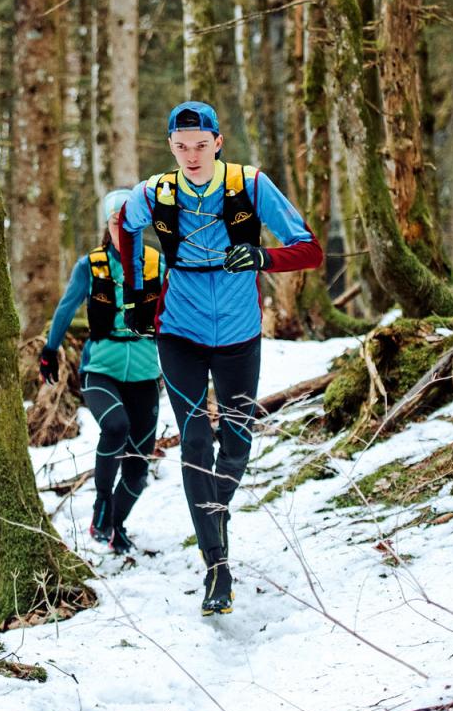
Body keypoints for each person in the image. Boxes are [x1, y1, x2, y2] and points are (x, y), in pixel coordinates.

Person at [117, 103, 323, 615]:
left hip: (238, 332)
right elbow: (125, 224)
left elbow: (310, 249)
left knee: (235, 440)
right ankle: (217, 567)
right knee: (194, 437)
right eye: (181, 145)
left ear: (218, 141)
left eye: (200, 144)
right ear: (170, 146)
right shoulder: (155, 193)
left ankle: (213, 513)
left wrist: (263, 257)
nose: (191, 154)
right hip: (178, 330)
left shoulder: (250, 185)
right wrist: (136, 293)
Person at [40, 190, 167, 555]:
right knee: (115, 427)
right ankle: (101, 507)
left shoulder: (158, 263)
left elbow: (176, 311)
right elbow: (66, 308)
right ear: (108, 225)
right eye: (117, 222)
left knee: (138, 469)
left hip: (145, 372)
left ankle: (116, 526)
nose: (124, 229)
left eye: (132, 223)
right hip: (100, 370)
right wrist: (50, 350)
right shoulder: (90, 265)